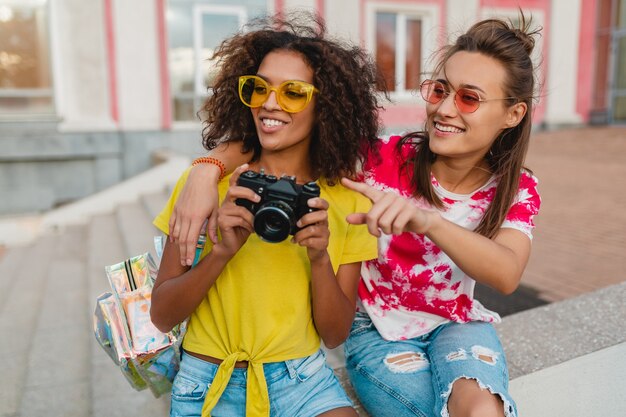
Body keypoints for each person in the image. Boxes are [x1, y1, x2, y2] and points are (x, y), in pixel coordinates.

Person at [169, 13, 542, 417]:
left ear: (513, 114)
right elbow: (284, 135)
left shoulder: (517, 187)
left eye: (469, 98)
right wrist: (206, 167)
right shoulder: (383, 159)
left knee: (484, 411)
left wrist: (427, 220)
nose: (446, 109)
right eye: (439, 90)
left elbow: (506, 273)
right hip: (377, 328)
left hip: (457, 322)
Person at [150, 14, 382, 417]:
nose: (270, 104)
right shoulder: (207, 188)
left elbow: (333, 334)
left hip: (303, 380)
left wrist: (319, 257)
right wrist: (221, 253)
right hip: (208, 381)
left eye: (293, 92)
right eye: (259, 88)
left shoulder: (345, 202)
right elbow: (162, 314)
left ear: (323, 105)